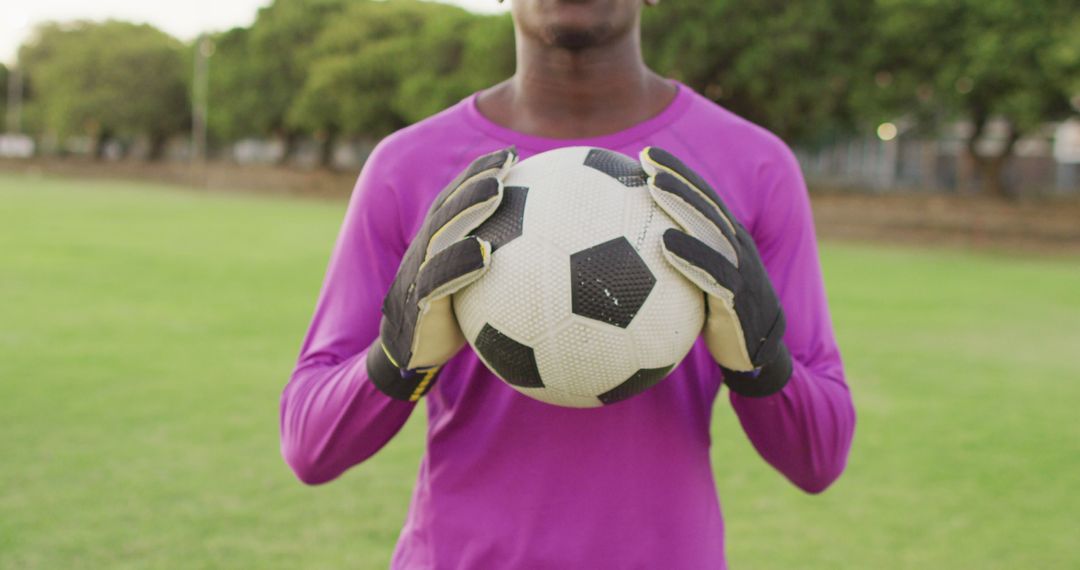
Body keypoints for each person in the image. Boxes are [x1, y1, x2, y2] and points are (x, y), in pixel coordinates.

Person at [279, 0, 856, 567]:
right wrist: (394, 362)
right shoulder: (407, 166)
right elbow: (311, 445)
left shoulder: (753, 165)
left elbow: (819, 458)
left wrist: (759, 364)